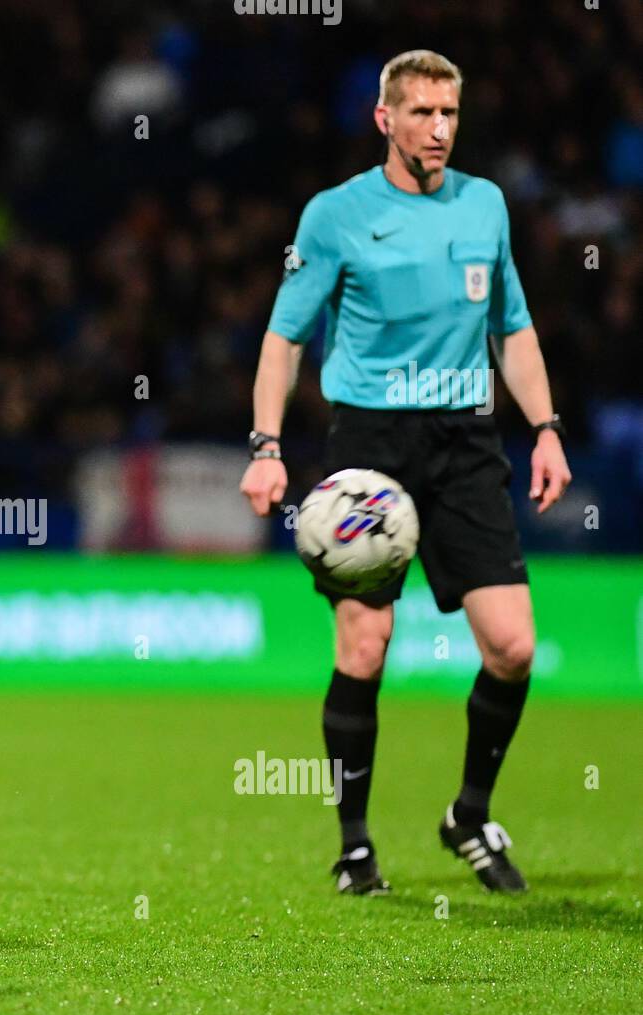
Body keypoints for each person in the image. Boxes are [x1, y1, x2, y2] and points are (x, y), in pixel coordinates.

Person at [239, 52, 572, 895]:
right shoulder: (335, 216)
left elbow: (515, 328)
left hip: (465, 444)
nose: (438, 128)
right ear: (384, 119)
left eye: (449, 112)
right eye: (421, 112)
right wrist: (268, 447)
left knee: (513, 645)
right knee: (366, 641)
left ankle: (468, 812)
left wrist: (546, 429)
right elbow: (283, 339)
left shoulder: (486, 205)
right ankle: (355, 846)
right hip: (368, 451)